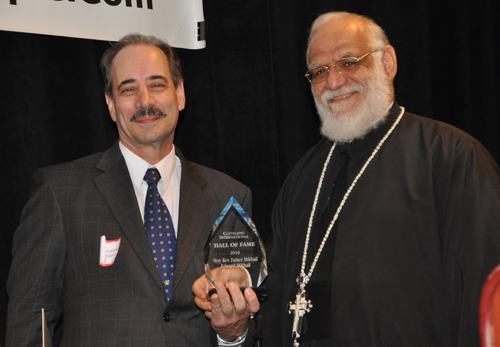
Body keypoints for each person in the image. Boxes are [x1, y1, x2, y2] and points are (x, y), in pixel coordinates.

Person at [193, 11, 500, 346]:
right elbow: (275, 302)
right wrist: (235, 322)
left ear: (387, 63)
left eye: (349, 62)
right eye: (320, 71)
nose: (334, 82)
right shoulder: (302, 179)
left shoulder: (453, 160)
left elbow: (486, 304)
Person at [6, 34, 255, 346]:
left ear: (179, 94)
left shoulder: (229, 197)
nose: (145, 101)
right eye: (128, 89)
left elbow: (245, 322)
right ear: (111, 105)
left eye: (157, 84)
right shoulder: (60, 192)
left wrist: (232, 333)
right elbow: (29, 318)